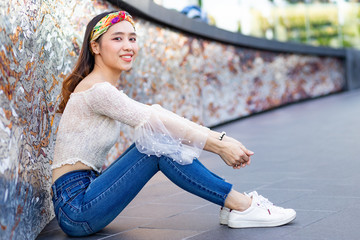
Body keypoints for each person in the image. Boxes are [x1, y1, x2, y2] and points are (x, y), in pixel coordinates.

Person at [51, 10, 296, 237]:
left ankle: (235, 205)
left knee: (155, 141)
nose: (128, 46)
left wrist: (220, 139)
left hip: (85, 195)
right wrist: (218, 144)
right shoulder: (98, 91)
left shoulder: (103, 88)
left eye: (132, 39)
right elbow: (157, 122)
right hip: (75, 207)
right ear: (96, 46)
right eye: (117, 39)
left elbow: (159, 117)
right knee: (154, 148)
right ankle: (241, 205)